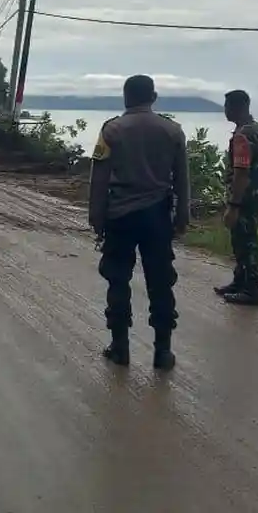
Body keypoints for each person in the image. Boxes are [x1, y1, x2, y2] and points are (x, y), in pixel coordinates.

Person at [88, 75, 191, 370]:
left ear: (125, 96)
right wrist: (182, 215)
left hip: (120, 216)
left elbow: (99, 178)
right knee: (160, 282)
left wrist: (96, 215)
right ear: (153, 96)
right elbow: (182, 178)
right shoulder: (173, 131)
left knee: (118, 279)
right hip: (157, 217)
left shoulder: (112, 130)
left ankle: (120, 347)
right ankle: (163, 352)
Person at [214, 89, 258, 307]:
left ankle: (251, 290)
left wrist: (234, 205)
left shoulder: (242, 136)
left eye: (227, 106)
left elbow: (241, 172)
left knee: (246, 240)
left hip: (245, 196)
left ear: (236, 107)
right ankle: (239, 282)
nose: (225, 111)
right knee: (243, 237)